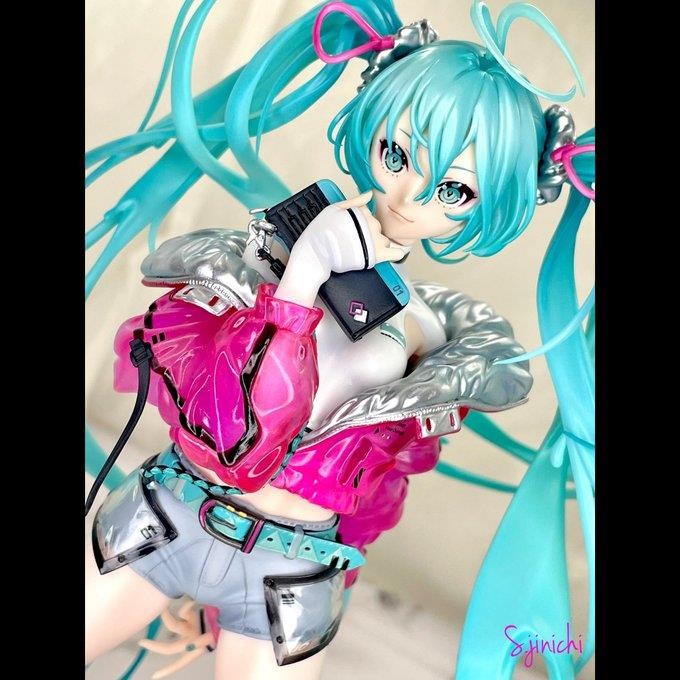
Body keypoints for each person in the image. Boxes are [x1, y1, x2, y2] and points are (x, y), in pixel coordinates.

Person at [85, 1, 594, 677]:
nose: (409, 196)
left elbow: (369, 492)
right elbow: (239, 433)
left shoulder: (428, 332)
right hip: (170, 514)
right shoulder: (267, 256)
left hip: (288, 574)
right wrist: (301, 277)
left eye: (454, 191)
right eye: (397, 154)